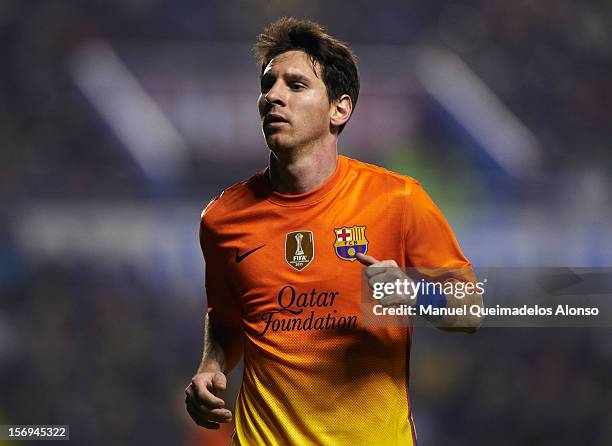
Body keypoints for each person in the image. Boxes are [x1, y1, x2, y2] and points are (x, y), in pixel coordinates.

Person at [185, 16, 484, 445]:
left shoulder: (397, 200)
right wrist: (211, 365)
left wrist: (415, 295)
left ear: (339, 109)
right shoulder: (222, 218)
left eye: (296, 85)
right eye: (268, 85)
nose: (273, 97)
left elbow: (470, 309)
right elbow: (227, 316)